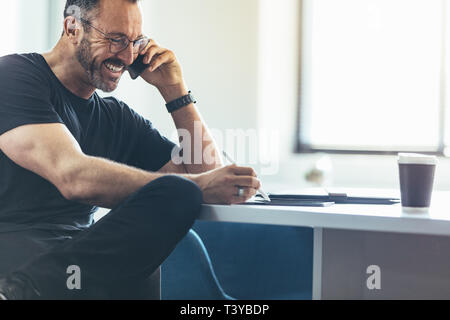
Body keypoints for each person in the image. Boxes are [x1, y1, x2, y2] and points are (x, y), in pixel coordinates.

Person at [0, 0, 261, 300]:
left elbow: (207, 173)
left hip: (81, 266)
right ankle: (21, 291)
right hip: (16, 257)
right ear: (73, 28)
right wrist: (197, 187)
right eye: (116, 39)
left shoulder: (117, 118)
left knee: (177, 195)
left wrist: (174, 91)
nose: (127, 56)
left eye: (136, 42)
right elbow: (72, 176)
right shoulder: (13, 76)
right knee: (181, 190)